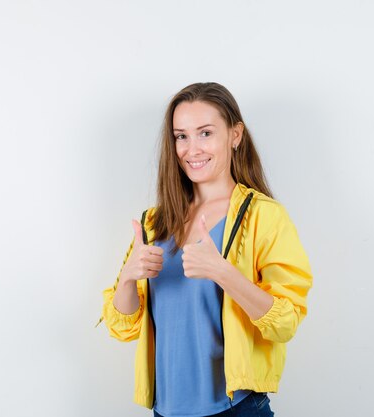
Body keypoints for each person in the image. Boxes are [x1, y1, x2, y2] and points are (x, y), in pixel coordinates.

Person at [99, 82, 312, 417]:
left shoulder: (264, 216)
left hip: (237, 409)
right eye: (181, 136)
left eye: (205, 133)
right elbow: (123, 326)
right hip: (165, 410)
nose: (191, 148)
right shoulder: (154, 222)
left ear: (235, 135)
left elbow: (285, 322)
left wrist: (224, 273)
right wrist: (127, 278)